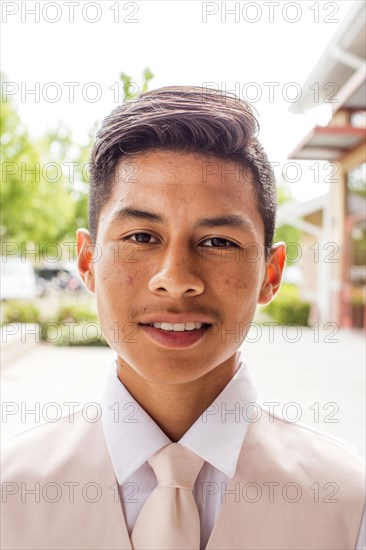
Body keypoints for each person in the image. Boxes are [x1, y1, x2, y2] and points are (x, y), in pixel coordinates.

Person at [2, 86, 365, 550]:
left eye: (218, 242)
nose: (176, 279)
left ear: (270, 274)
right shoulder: (10, 492)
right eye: (140, 236)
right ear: (88, 261)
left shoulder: (349, 505)